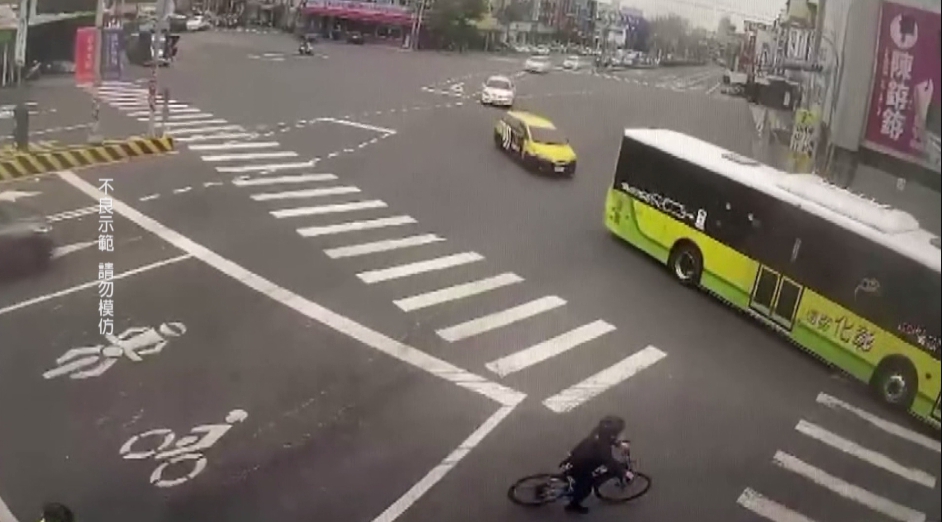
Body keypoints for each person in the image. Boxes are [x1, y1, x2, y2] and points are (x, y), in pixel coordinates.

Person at [561, 415, 629, 514]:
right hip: (582, 465)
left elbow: (607, 439)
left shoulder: (598, 432)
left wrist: (619, 444)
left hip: (577, 455)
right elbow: (610, 462)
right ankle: (573, 505)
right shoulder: (603, 450)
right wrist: (623, 472)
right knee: (585, 488)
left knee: (574, 477)